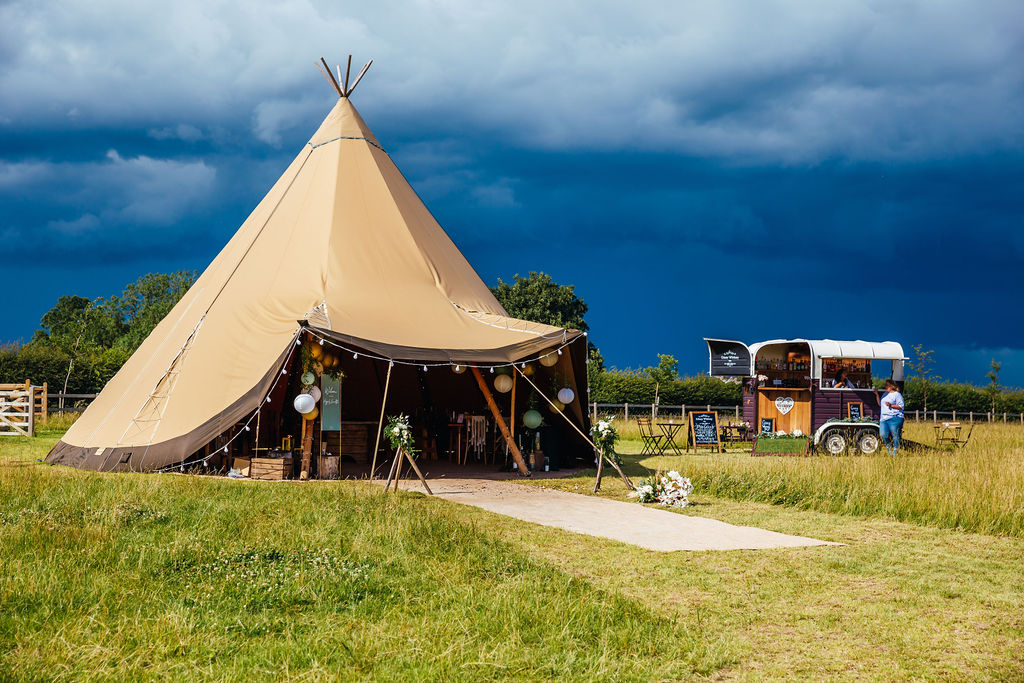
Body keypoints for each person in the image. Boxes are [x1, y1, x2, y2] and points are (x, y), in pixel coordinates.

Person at [874, 380, 905, 454]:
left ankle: (895, 452)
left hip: (894, 418)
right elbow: (880, 404)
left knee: (895, 436)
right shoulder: (885, 394)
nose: (885, 387)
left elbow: (901, 406)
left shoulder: (897, 394)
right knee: (883, 435)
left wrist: (891, 405)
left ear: (892, 386)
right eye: (885, 385)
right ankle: (890, 450)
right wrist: (877, 395)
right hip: (884, 419)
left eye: (887, 385)